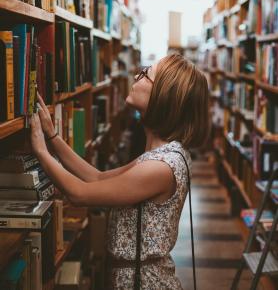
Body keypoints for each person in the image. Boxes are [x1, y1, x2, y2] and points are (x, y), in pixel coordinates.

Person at [30, 53, 209, 290]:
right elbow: (96, 178)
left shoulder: (161, 167)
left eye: (145, 74)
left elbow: (79, 194)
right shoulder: (162, 155)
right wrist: (52, 137)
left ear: (162, 96)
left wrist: (40, 151)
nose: (137, 75)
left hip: (144, 282)